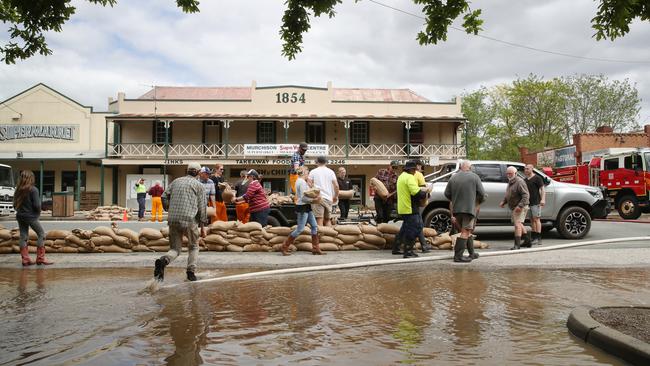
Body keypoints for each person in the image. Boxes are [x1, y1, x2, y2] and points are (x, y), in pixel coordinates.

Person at [154, 162, 207, 282]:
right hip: (189, 220)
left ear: (187, 171)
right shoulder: (198, 185)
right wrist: (203, 227)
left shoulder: (176, 181)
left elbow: (163, 196)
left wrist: (168, 208)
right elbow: (202, 208)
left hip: (173, 219)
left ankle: (164, 261)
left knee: (175, 250)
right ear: (198, 173)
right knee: (193, 246)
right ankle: (190, 272)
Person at [444, 160, 486, 262]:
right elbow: (482, 193)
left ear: (461, 167)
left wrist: (455, 200)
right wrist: (478, 202)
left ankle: (472, 253)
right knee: (465, 231)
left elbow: (447, 194)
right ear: (469, 167)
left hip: (456, 209)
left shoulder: (453, 177)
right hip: (469, 209)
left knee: (467, 231)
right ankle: (458, 256)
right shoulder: (474, 177)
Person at [281, 166, 324, 255]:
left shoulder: (301, 181)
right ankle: (285, 246)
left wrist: (311, 187)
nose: (308, 174)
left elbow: (306, 195)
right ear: (303, 173)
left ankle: (315, 248)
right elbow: (303, 198)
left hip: (306, 207)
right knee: (300, 229)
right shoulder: (301, 182)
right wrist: (314, 200)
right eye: (307, 172)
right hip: (303, 207)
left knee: (314, 226)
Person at [14, 170, 52, 266]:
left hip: (20, 216)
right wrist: (39, 212)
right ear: (31, 178)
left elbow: (14, 205)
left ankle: (25, 260)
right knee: (41, 234)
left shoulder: (18, 190)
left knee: (23, 236)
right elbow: (36, 205)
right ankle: (40, 258)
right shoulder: (33, 189)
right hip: (31, 217)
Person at [396, 161, 428, 258]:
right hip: (410, 207)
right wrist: (426, 193)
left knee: (405, 229)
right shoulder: (409, 177)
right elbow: (415, 192)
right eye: (414, 170)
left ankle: (396, 247)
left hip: (403, 207)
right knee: (415, 228)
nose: (415, 172)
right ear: (410, 169)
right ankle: (408, 251)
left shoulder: (401, 176)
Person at [500, 166, 531, 250]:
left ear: (516, 173)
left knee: (517, 224)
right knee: (519, 223)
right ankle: (528, 241)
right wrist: (504, 201)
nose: (508, 175)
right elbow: (508, 194)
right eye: (507, 173)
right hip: (514, 206)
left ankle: (517, 245)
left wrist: (520, 206)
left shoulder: (520, 182)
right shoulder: (510, 182)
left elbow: (526, 195)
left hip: (521, 206)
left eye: (510, 173)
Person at [309, 156, 339, 226]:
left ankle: (320, 236)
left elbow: (309, 183)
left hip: (318, 198)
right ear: (326, 162)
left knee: (319, 219)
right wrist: (335, 196)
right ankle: (329, 235)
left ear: (317, 162)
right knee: (327, 219)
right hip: (329, 198)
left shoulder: (313, 172)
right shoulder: (331, 172)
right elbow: (336, 186)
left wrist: (313, 189)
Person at [524, 164, 546, 246]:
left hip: (536, 202)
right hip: (528, 203)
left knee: (537, 219)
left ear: (532, 169)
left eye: (528, 169)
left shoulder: (537, 178)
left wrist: (543, 199)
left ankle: (539, 238)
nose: (526, 170)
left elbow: (542, 189)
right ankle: (534, 237)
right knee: (531, 220)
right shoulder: (525, 180)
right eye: (525, 169)